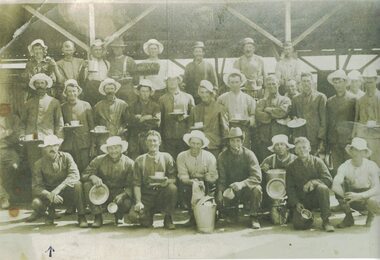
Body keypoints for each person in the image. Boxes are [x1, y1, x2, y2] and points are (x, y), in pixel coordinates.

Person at [26, 135, 88, 227]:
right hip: (49, 196)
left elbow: (74, 175)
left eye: (55, 145)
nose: (52, 148)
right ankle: (48, 214)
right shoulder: (38, 164)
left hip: (65, 192)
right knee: (36, 203)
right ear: (44, 149)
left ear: (59, 146)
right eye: (49, 146)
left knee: (77, 184)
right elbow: (37, 187)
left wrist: (58, 189)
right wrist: (49, 195)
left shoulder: (67, 157)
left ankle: (81, 216)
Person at [82, 136, 134, 228]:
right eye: (110, 148)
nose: (113, 151)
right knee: (87, 185)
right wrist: (92, 176)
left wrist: (123, 195)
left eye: (116, 147)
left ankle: (119, 215)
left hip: (119, 194)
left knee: (127, 202)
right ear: (107, 149)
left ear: (121, 148)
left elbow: (132, 184)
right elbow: (84, 174)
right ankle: (98, 216)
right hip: (102, 192)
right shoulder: (99, 160)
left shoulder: (129, 163)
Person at [217, 127, 262, 229]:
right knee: (228, 216)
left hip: (246, 189)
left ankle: (254, 216)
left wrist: (242, 184)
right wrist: (220, 192)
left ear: (242, 141)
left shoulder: (249, 154)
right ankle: (231, 212)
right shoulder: (222, 156)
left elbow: (257, 177)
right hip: (231, 190)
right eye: (232, 141)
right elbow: (222, 178)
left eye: (238, 141)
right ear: (228, 142)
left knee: (257, 189)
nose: (235, 143)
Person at [286, 137, 334, 232]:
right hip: (302, 200)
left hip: (317, 198)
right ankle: (308, 216)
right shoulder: (291, 166)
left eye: (304, 147)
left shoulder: (318, 162)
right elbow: (289, 188)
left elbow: (328, 179)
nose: (302, 150)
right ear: (295, 151)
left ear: (309, 149)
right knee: (299, 225)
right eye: (299, 148)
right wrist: (296, 203)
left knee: (322, 188)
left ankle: (326, 220)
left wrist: (313, 182)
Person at [133, 130, 178, 229]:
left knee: (172, 188)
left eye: (154, 141)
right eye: (149, 141)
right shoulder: (139, 160)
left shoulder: (167, 157)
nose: (152, 143)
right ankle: (148, 214)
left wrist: (167, 182)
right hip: (147, 195)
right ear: (145, 143)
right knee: (135, 218)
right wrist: (138, 202)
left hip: (162, 194)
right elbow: (137, 184)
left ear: (159, 142)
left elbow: (173, 178)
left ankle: (168, 217)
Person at [332, 137, 380, 228]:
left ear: (364, 153)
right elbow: (335, 184)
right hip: (351, 195)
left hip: (367, 196)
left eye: (360, 151)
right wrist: (347, 197)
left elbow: (377, 188)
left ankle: (371, 216)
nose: (356, 153)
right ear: (351, 151)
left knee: (373, 199)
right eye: (354, 150)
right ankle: (349, 217)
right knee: (340, 188)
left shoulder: (371, 165)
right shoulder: (345, 165)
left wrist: (361, 196)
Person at [21, 73, 64, 170]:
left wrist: (59, 139)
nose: (40, 86)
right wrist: (21, 135)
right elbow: (22, 122)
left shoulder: (54, 102)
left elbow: (59, 123)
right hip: (32, 139)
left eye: (42, 83)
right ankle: (36, 185)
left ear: (46, 85)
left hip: (48, 139)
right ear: (34, 86)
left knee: (48, 165)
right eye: (37, 84)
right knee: (34, 165)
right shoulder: (28, 103)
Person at [177, 130, 218, 226]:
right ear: (189, 143)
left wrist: (208, 178)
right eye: (193, 143)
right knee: (185, 189)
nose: (195, 146)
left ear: (202, 145)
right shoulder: (182, 156)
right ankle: (193, 215)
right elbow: (183, 176)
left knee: (212, 189)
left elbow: (214, 175)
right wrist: (193, 182)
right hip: (190, 183)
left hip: (207, 182)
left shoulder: (209, 157)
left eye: (198, 144)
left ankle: (210, 213)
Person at [326, 69, 356, 176]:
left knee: (350, 170)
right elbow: (328, 122)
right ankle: (339, 193)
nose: (337, 85)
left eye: (340, 82)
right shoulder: (329, 101)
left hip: (349, 141)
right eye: (335, 82)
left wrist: (353, 138)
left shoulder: (353, 99)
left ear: (345, 82)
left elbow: (356, 120)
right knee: (338, 172)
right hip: (334, 142)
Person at [189, 80, 229, 158]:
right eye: (202, 92)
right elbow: (190, 128)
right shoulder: (195, 109)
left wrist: (225, 146)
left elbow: (225, 130)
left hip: (214, 147)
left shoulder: (220, 108)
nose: (204, 95)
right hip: (199, 147)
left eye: (206, 92)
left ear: (211, 93)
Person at [255, 75, 291, 161]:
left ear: (278, 84)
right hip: (265, 136)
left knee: (282, 159)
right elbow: (259, 115)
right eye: (269, 84)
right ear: (266, 86)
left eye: (273, 83)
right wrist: (274, 116)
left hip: (280, 135)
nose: (271, 86)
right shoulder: (261, 101)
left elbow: (282, 112)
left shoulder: (285, 100)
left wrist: (268, 109)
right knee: (266, 161)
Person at [61, 79, 95, 172]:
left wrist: (93, 144)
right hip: (69, 143)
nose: (72, 93)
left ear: (78, 92)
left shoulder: (86, 105)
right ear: (66, 93)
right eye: (69, 91)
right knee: (71, 167)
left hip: (84, 142)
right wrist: (66, 125)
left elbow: (92, 126)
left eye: (74, 91)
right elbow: (60, 124)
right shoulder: (62, 107)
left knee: (85, 167)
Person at [217, 69, 256, 149]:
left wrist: (249, 121)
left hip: (244, 128)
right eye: (232, 82)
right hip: (229, 129)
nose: (234, 85)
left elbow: (253, 115)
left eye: (237, 82)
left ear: (241, 83)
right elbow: (219, 115)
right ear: (228, 83)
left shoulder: (248, 99)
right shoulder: (222, 98)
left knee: (244, 150)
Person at [159, 73, 195, 159]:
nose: (172, 82)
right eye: (169, 80)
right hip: (168, 137)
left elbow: (194, 116)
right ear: (166, 82)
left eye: (174, 79)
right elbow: (161, 120)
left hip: (184, 136)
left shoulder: (188, 97)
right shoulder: (162, 99)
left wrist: (186, 117)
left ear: (178, 81)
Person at [290, 72, 327, 154]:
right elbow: (294, 116)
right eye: (303, 81)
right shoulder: (295, 99)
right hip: (300, 136)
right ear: (300, 83)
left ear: (313, 83)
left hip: (315, 137)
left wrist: (321, 139)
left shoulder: (320, 97)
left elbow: (324, 120)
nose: (306, 84)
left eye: (308, 81)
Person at [260, 134, 297, 210]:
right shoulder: (269, 160)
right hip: (274, 192)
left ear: (287, 147)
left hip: (292, 191)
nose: (280, 147)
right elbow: (257, 172)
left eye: (282, 144)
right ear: (274, 148)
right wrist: (263, 170)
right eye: (277, 145)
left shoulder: (295, 159)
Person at [353, 67, 380, 166]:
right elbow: (357, 119)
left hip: (377, 138)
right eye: (367, 82)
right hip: (363, 137)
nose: (369, 85)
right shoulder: (360, 100)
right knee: (364, 165)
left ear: (376, 81)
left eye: (371, 82)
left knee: (377, 164)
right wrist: (354, 136)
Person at [94, 78, 129, 153]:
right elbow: (95, 123)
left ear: (115, 90)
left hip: (119, 137)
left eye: (112, 88)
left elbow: (127, 122)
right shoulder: (98, 106)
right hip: (104, 139)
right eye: (107, 89)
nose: (110, 91)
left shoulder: (123, 104)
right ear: (104, 90)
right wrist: (98, 128)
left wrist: (122, 128)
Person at [128, 79, 161, 159]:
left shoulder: (155, 106)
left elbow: (157, 123)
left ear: (150, 93)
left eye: (147, 91)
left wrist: (141, 118)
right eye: (142, 91)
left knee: (149, 159)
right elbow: (130, 121)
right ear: (138, 92)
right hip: (135, 138)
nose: (145, 94)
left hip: (149, 138)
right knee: (135, 160)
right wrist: (146, 118)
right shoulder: (132, 105)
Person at [0, 103, 21, 209]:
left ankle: (7, 196)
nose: (3, 111)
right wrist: (7, 133)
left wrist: (4, 138)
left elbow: (17, 136)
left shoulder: (14, 119)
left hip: (10, 150)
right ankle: (4, 197)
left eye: (5, 109)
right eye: (1, 109)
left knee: (14, 166)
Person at [107, 38, 139, 105]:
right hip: (114, 90)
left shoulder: (129, 60)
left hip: (126, 89)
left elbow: (136, 77)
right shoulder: (109, 60)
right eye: (114, 48)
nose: (116, 50)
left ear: (123, 48)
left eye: (118, 48)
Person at [83, 39, 110, 106]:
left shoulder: (107, 63)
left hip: (103, 89)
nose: (98, 52)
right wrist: (84, 68)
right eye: (96, 50)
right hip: (91, 89)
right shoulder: (88, 62)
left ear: (102, 51)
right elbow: (83, 78)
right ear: (92, 51)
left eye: (100, 50)